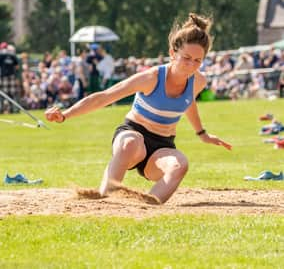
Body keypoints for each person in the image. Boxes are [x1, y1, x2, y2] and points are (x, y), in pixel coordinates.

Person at [45, 13, 232, 204]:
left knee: (180, 165)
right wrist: (65, 115)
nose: (191, 65)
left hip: (162, 145)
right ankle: (104, 197)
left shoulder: (198, 81)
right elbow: (105, 97)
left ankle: (147, 206)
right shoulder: (150, 78)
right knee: (131, 142)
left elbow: (188, 103)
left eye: (198, 60)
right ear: (172, 53)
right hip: (133, 136)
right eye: (186, 58)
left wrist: (202, 133)